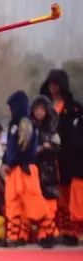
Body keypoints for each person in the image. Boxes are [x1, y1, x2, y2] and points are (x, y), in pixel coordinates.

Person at [3, 91, 57, 247]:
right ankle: (13, 236)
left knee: (35, 202)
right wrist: (5, 162)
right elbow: (11, 149)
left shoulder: (25, 123)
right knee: (13, 203)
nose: (9, 110)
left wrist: (9, 162)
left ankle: (50, 232)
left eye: (10, 107)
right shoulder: (13, 124)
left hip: (25, 168)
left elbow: (23, 148)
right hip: (15, 169)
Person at [39, 69, 81, 245]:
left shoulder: (74, 108)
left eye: (56, 83)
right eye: (50, 83)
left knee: (68, 194)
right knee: (53, 196)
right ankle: (57, 229)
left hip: (69, 157)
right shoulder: (42, 108)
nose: (53, 87)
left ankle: (71, 231)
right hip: (48, 159)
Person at [30, 95, 62, 248]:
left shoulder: (52, 129)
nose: (39, 112)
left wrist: (47, 149)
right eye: (36, 109)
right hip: (34, 171)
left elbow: (57, 150)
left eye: (42, 109)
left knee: (50, 204)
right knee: (38, 204)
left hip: (49, 171)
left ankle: (50, 233)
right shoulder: (30, 128)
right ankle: (44, 234)